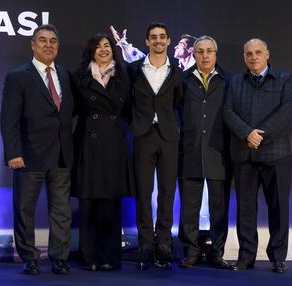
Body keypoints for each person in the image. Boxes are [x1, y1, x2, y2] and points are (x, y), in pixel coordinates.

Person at [0, 24, 73, 275]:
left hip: (62, 155)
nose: (48, 44)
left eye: (53, 40)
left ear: (58, 46)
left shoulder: (64, 75)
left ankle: (59, 258)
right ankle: (29, 258)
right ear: (33, 45)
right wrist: (13, 152)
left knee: (62, 211)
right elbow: (8, 119)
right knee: (25, 210)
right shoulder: (18, 76)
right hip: (29, 155)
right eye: (42, 40)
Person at [223, 38, 292, 273]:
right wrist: (247, 134)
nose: (253, 57)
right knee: (245, 208)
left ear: (267, 54)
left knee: (279, 208)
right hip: (244, 154)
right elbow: (228, 111)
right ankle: (246, 257)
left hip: (276, 154)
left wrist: (259, 136)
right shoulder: (234, 82)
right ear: (244, 57)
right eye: (249, 53)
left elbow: (286, 113)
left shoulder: (285, 80)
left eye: (258, 52)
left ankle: (278, 257)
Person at [71, 33, 134, 271]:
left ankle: (110, 256)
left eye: (107, 45)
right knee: (88, 203)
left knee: (110, 202)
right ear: (91, 51)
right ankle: (89, 258)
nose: (103, 50)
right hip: (87, 142)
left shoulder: (125, 75)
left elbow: (128, 109)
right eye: (98, 47)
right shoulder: (78, 77)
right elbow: (74, 109)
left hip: (114, 142)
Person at [127, 22, 183, 270]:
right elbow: (126, 103)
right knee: (143, 193)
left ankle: (163, 244)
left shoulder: (178, 72)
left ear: (169, 41)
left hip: (169, 136)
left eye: (162, 36)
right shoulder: (133, 70)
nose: (158, 40)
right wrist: (137, 122)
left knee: (167, 193)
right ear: (147, 42)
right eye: (153, 37)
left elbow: (180, 103)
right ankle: (146, 245)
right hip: (143, 136)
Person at [177, 36, 232, 269]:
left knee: (219, 206)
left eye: (209, 51)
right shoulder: (183, 80)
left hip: (219, 152)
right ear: (194, 54)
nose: (205, 56)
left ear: (216, 54)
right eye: (200, 51)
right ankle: (191, 251)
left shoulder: (229, 81)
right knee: (189, 207)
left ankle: (216, 252)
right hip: (189, 151)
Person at [110, 25, 196, 71]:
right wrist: (123, 43)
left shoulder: (198, 70)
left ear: (190, 49)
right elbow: (141, 60)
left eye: (181, 44)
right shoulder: (171, 67)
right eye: (154, 37)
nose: (175, 47)